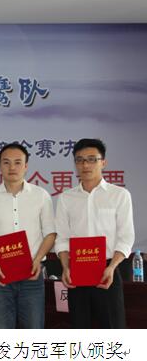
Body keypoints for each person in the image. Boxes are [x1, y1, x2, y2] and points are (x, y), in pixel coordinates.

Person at [0, 142, 56, 328]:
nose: (12, 167)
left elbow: (50, 233)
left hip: (32, 274)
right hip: (0, 275)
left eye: (18, 162)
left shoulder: (41, 195)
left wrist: (38, 259)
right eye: (6, 162)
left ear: (26, 166)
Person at [55, 138, 134, 328]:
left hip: (108, 270)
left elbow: (126, 238)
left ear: (103, 162)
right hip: (76, 272)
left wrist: (112, 267)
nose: (85, 165)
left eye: (92, 159)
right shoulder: (66, 198)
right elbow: (62, 238)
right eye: (80, 160)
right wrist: (65, 267)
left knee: (113, 330)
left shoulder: (119, 195)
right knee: (80, 329)